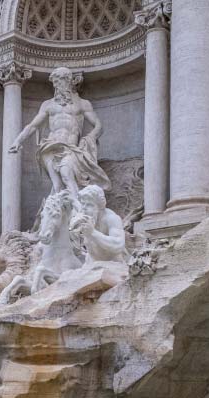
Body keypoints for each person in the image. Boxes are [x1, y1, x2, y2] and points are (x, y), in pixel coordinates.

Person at [8, 67, 110, 198]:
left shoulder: (82, 104)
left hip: (70, 148)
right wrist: (18, 141)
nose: (57, 85)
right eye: (55, 82)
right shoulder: (47, 105)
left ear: (69, 81)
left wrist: (90, 137)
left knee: (67, 175)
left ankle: (77, 212)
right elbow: (33, 125)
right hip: (49, 147)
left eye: (60, 80)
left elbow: (99, 126)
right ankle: (57, 213)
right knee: (57, 185)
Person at [71, 185, 128, 265]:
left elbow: (118, 244)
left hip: (113, 264)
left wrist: (93, 232)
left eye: (89, 205)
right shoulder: (86, 220)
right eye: (83, 204)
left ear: (100, 206)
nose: (84, 208)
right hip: (92, 263)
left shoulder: (111, 218)